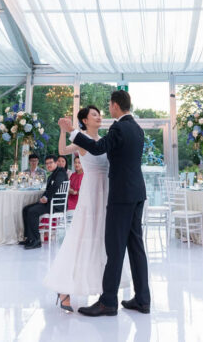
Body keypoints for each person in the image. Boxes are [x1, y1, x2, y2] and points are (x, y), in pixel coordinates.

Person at [58, 89, 151, 317]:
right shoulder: (137, 129)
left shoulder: (118, 128)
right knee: (136, 247)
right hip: (137, 193)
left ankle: (108, 302)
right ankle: (142, 299)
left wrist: (72, 131)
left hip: (120, 196)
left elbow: (99, 148)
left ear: (115, 106)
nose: (105, 111)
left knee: (114, 248)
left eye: (108, 106)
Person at [44, 106, 128, 312]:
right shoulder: (81, 139)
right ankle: (64, 288)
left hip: (107, 191)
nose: (99, 117)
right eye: (94, 115)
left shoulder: (105, 140)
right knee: (84, 236)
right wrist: (63, 130)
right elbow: (62, 151)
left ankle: (101, 288)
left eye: (99, 114)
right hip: (91, 192)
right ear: (84, 120)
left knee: (103, 240)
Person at [20, 155, 67, 250]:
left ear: (56, 163)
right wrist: (42, 198)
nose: (48, 165)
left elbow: (56, 185)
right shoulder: (52, 175)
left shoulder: (61, 172)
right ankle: (29, 238)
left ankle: (36, 240)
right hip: (49, 203)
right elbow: (48, 189)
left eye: (50, 163)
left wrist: (46, 197)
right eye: (47, 163)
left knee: (32, 211)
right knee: (26, 209)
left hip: (56, 204)